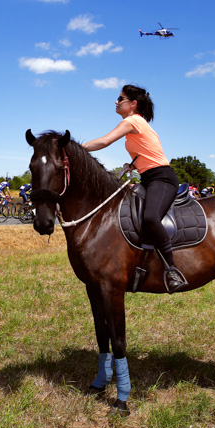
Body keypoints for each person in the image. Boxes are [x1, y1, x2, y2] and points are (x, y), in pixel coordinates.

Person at [83, 84, 187, 294]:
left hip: (162, 179)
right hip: (148, 178)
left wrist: (75, 148)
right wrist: (133, 165)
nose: (116, 101)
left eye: (120, 98)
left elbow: (104, 141)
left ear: (133, 104)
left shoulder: (133, 121)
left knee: (150, 217)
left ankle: (172, 269)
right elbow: (148, 152)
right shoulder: (137, 124)